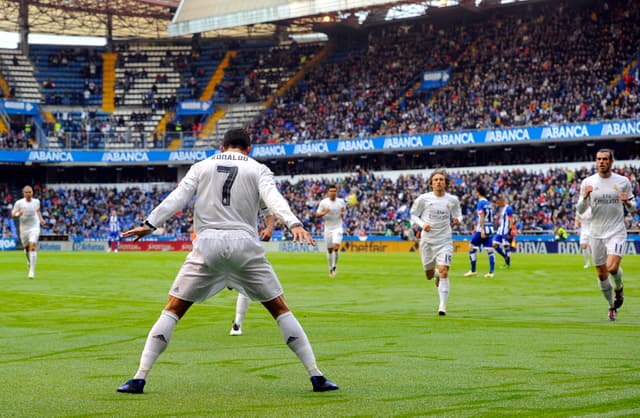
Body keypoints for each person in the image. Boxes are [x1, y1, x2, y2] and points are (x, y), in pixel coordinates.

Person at [116, 128, 338, 394]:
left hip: (207, 244)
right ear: (249, 148)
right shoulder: (258, 168)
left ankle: (139, 378)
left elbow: (178, 198)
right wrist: (294, 223)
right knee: (280, 309)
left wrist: (149, 224)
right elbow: (273, 199)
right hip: (245, 245)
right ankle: (316, 376)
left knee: (173, 309)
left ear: (222, 147)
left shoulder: (202, 166)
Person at [576, 148, 636, 321]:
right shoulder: (588, 182)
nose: (601, 162)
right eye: (598, 159)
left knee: (612, 267)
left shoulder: (623, 181)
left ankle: (619, 288)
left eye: (604, 159)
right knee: (602, 274)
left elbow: (633, 207)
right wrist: (584, 197)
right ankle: (611, 306)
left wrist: (627, 202)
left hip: (616, 231)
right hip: (596, 233)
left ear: (611, 162)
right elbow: (580, 210)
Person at [410, 169, 462, 316]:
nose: (438, 182)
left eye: (441, 179)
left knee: (445, 270)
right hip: (427, 242)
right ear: (431, 183)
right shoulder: (423, 199)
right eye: (436, 180)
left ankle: (442, 306)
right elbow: (413, 215)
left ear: (446, 183)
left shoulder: (452, 200)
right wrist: (422, 224)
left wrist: (458, 219)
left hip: (445, 241)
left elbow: (458, 214)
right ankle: (436, 275)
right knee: (429, 274)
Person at [230, 207, 275, 336]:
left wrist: (269, 228)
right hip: (221, 242)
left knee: (245, 286)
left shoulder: (255, 189)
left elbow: (268, 212)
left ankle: (237, 324)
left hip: (248, 244)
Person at [11, 185, 45, 279]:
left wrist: (41, 219)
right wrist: (19, 214)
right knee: (26, 249)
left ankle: (32, 271)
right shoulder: (19, 203)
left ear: (32, 193)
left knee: (32, 246)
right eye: (26, 192)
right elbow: (13, 214)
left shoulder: (36, 202)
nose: (28, 194)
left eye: (29, 192)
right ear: (23, 193)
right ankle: (29, 262)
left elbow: (37, 211)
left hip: (34, 226)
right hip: (24, 229)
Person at [464, 186, 496, 278]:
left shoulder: (480, 203)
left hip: (482, 229)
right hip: (490, 228)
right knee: (490, 250)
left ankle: (473, 271)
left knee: (471, 247)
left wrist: (481, 228)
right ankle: (491, 272)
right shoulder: (488, 203)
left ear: (478, 193)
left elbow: (482, 216)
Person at [315, 185, 346, 278]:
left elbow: (344, 210)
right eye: (331, 191)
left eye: (334, 191)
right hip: (328, 228)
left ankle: (334, 267)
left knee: (336, 247)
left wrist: (343, 213)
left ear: (336, 192)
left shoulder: (341, 202)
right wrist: (325, 212)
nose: (333, 193)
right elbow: (317, 214)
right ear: (328, 192)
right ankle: (330, 268)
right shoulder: (324, 203)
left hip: (338, 227)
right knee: (329, 250)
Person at [492, 196, 514, 268]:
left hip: (505, 230)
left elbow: (511, 219)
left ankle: (507, 263)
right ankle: (505, 256)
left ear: (503, 202)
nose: (498, 205)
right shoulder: (503, 209)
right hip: (500, 230)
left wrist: (510, 230)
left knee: (506, 246)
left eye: (499, 203)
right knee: (494, 244)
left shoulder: (508, 208)